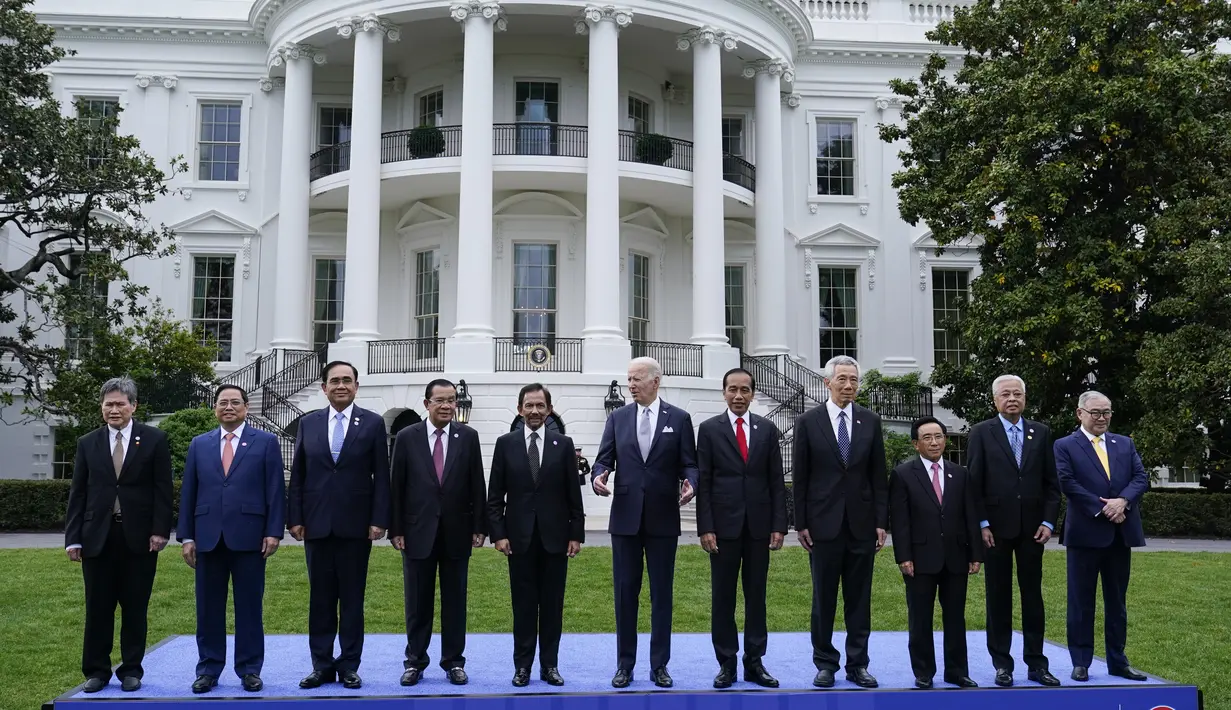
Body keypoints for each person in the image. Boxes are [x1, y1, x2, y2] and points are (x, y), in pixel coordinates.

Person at [592, 356, 698, 688]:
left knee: (661, 594)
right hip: (624, 517)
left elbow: (689, 464)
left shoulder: (679, 419)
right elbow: (603, 459)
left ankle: (659, 665)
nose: (631, 385)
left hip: (663, 517)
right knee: (626, 593)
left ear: (656, 381)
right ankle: (625, 665)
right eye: (629, 379)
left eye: (637, 379)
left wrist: (691, 483)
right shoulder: (618, 418)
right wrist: (599, 476)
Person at [65, 377, 174, 693]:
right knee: (97, 608)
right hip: (97, 537)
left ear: (133, 406)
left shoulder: (153, 440)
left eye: (120, 404)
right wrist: (74, 537)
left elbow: (162, 490)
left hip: (139, 538)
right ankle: (97, 672)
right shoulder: (88, 443)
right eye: (108, 404)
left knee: (135, 607)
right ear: (102, 407)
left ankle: (131, 670)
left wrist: (159, 531)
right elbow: (78, 493)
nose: (114, 409)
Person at [288, 360, 390, 690]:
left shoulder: (373, 424)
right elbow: (299, 475)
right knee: (320, 599)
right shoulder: (309, 423)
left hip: (356, 526)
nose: (341, 385)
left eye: (347, 380)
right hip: (316, 525)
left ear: (357, 387)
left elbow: (382, 477)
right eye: (335, 381)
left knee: (351, 600)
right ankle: (321, 665)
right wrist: (296, 518)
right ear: (324, 388)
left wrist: (378, 519)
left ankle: (348, 665)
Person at [178, 384, 286, 694]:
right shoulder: (199, 444)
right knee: (208, 609)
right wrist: (186, 536)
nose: (229, 407)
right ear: (215, 408)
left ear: (246, 407)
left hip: (250, 538)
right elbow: (189, 493)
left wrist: (273, 531)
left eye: (235, 402)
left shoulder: (265, 443)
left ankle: (250, 669)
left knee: (249, 608)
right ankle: (208, 669)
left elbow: (276, 490)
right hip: (208, 538)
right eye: (223, 402)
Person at [792, 355, 887, 689]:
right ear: (827, 382)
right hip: (822, 524)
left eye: (854, 380)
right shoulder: (809, 422)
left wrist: (881, 521)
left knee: (859, 598)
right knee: (824, 598)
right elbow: (800, 477)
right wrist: (800, 521)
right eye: (842, 379)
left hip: (861, 524)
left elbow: (878, 476)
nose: (849, 386)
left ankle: (857, 663)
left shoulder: (870, 421)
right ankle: (825, 663)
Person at [389, 378, 486, 686]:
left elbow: (476, 485)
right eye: (440, 400)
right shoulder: (406, 437)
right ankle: (415, 661)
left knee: (455, 601)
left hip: (458, 531)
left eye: (451, 400)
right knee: (417, 602)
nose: (446, 406)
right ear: (426, 404)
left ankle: (454, 662)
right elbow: (397, 487)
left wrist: (479, 527)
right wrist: (397, 528)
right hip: (417, 532)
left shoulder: (468, 437)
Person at [486, 383, 585, 687]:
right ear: (520, 410)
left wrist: (576, 534)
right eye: (529, 406)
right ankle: (523, 666)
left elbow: (573, 496)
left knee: (553, 605)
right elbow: (495, 496)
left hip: (556, 539)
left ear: (549, 409)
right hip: (518, 540)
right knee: (524, 605)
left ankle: (550, 666)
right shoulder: (505, 444)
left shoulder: (563, 445)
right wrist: (499, 534)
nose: (534, 411)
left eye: (540, 406)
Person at [967, 374, 1062, 687]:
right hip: (995, 529)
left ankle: (1037, 663)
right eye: (1006, 394)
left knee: (1032, 597)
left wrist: (1049, 522)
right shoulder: (982, 433)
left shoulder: (1041, 432)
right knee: (998, 597)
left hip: (1033, 530)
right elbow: (974, 484)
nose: (1012, 399)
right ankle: (1002, 665)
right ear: (995, 400)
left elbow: (1052, 484)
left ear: (1025, 398)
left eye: (1017, 394)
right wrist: (981, 524)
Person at [696, 368, 787, 689]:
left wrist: (779, 524)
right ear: (723, 393)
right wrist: (705, 527)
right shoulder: (708, 430)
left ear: (752, 393)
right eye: (732, 389)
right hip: (722, 528)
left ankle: (754, 661)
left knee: (756, 597)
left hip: (759, 527)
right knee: (723, 597)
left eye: (744, 390)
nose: (738, 395)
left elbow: (776, 481)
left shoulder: (766, 429)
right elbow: (704, 482)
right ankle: (727, 663)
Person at [1054, 390, 1149, 683]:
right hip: (1085, 534)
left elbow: (1140, 478)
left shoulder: (1124, 443)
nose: (1102, 418)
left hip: (1121, 534)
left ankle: (1118, 661)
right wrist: (1103, 508)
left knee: (1117, 603)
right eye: (1096, 413)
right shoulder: (1065, 445)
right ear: (1080, 413)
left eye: (1107, 412)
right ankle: (1081, 661)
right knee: (1081, 602)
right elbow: (1067, 482)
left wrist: (1123, 502)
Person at [890, 417, 981, 689]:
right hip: (920, 559)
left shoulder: (960, 474)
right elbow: (900, 520)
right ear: (916, 444)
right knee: (920, 617)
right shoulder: (903, 474)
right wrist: (903, 556)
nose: (934, 442)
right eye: (927, 437)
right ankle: (923, 671)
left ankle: (957, 671)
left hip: (955, 557)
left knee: (956, 616)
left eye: (939, 436)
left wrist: (975, 553)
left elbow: (970, 515)